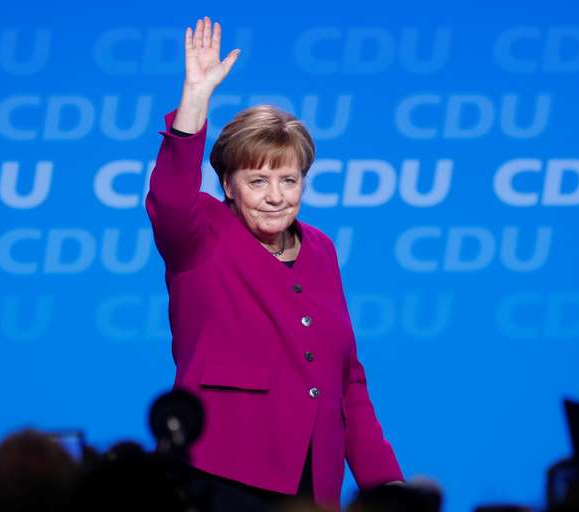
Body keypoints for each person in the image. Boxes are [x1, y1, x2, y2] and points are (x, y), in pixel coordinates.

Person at [145, 15, 404, 512]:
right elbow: (170, 198)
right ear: (228, 185)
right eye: (257, 181)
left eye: (288, 180)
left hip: (313, 478)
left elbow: (345, 377)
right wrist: (195, 98)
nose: (275, 197)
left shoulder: (321, 249)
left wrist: (384, 482)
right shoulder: (201, 234)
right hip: (224, 472)